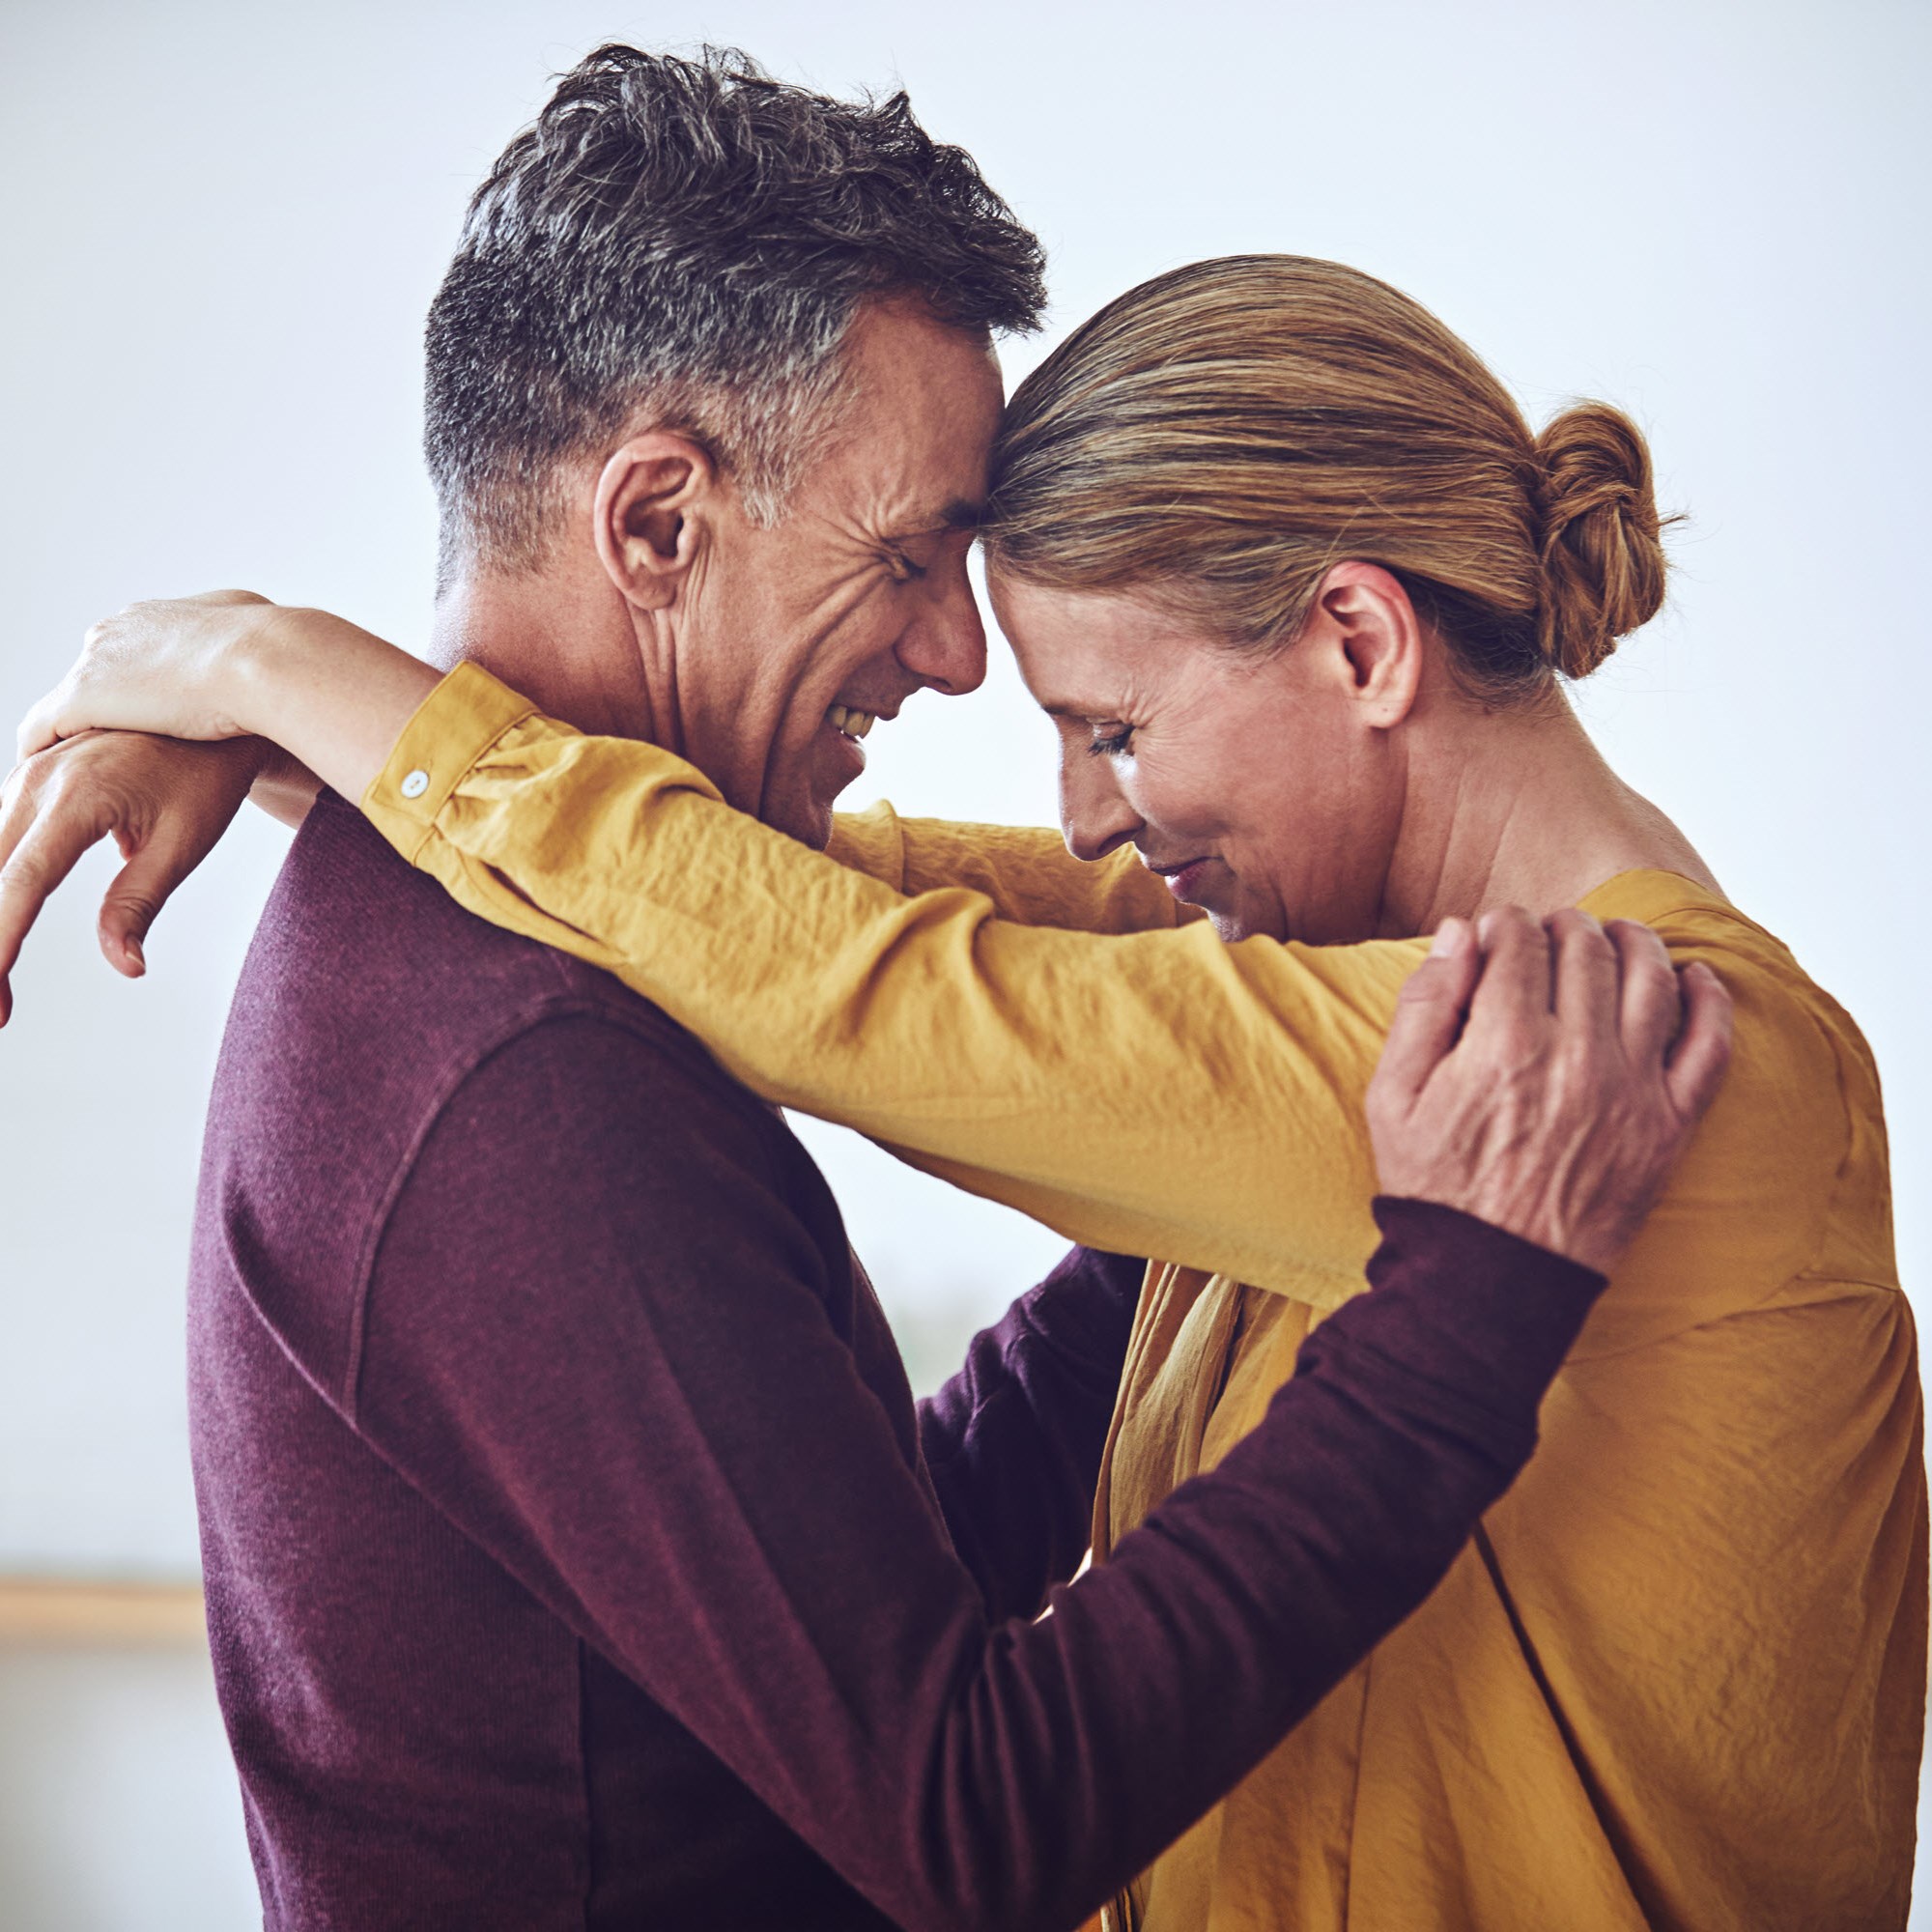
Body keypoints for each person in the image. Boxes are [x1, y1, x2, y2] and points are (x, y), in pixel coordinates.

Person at [0, 49, 1736, 1932]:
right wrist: (1460, 1315)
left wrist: (1192, 1196)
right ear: (657, 526)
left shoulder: (518, 945)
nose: (954, 652)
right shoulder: (525, 1068)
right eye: (912, 555)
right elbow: (967, 1822)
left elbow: (843, 1600)